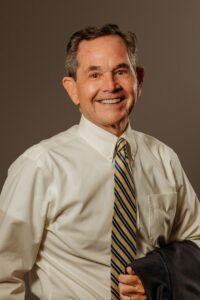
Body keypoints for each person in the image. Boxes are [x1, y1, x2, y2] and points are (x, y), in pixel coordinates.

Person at [0, 24, 200, 300]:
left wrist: (160, 278)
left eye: (120, 71)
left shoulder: (164, 158)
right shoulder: (40, 166)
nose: (110, 86)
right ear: (72, 89)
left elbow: (196, 244)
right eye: (94, 74)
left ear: (138, 79)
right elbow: (2, 275)